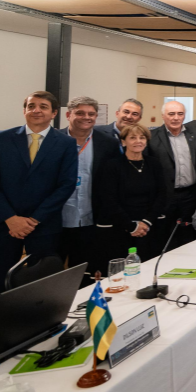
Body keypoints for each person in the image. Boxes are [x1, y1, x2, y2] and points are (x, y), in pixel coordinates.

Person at [0, 91, 78, 328]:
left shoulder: (65, 143)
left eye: (43, 106)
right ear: (24, 111)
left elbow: (66, 185)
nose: (36, 110)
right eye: (31, 106)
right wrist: (11, 219)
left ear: (54, 113)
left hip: (42, 225)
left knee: (40, 285)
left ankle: (36, 331)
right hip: (1, 223)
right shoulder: (1, 138)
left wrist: (34, 219)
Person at [59, 96, 120, 281]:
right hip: (58, 219)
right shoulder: (53, 140)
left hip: (91, 220)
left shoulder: (108, 143)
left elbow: (113, 182)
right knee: (51, 272)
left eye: (91, 114)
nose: (86, 117)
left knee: (85, 274)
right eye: (80, 113)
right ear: (68, 115)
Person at [94, 124, 167, 261]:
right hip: (120, 227)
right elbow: (109, 199)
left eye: (142, 138)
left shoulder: (154, 164)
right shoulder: (112, 165)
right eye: (132, 138)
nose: (138, 141)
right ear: (123, 142)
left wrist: (146, 222)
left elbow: (162, 194)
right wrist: (131, 226)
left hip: (149, 226)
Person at [148, 100, 196, 248]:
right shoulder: (152, 137)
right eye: (171, 114)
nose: (176, 118)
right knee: (166, 236)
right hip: (166, 196)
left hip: (192, 194)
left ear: (184, 116)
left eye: (180, 114)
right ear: (163, 116)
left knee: (190, 234)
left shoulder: (195, 134)